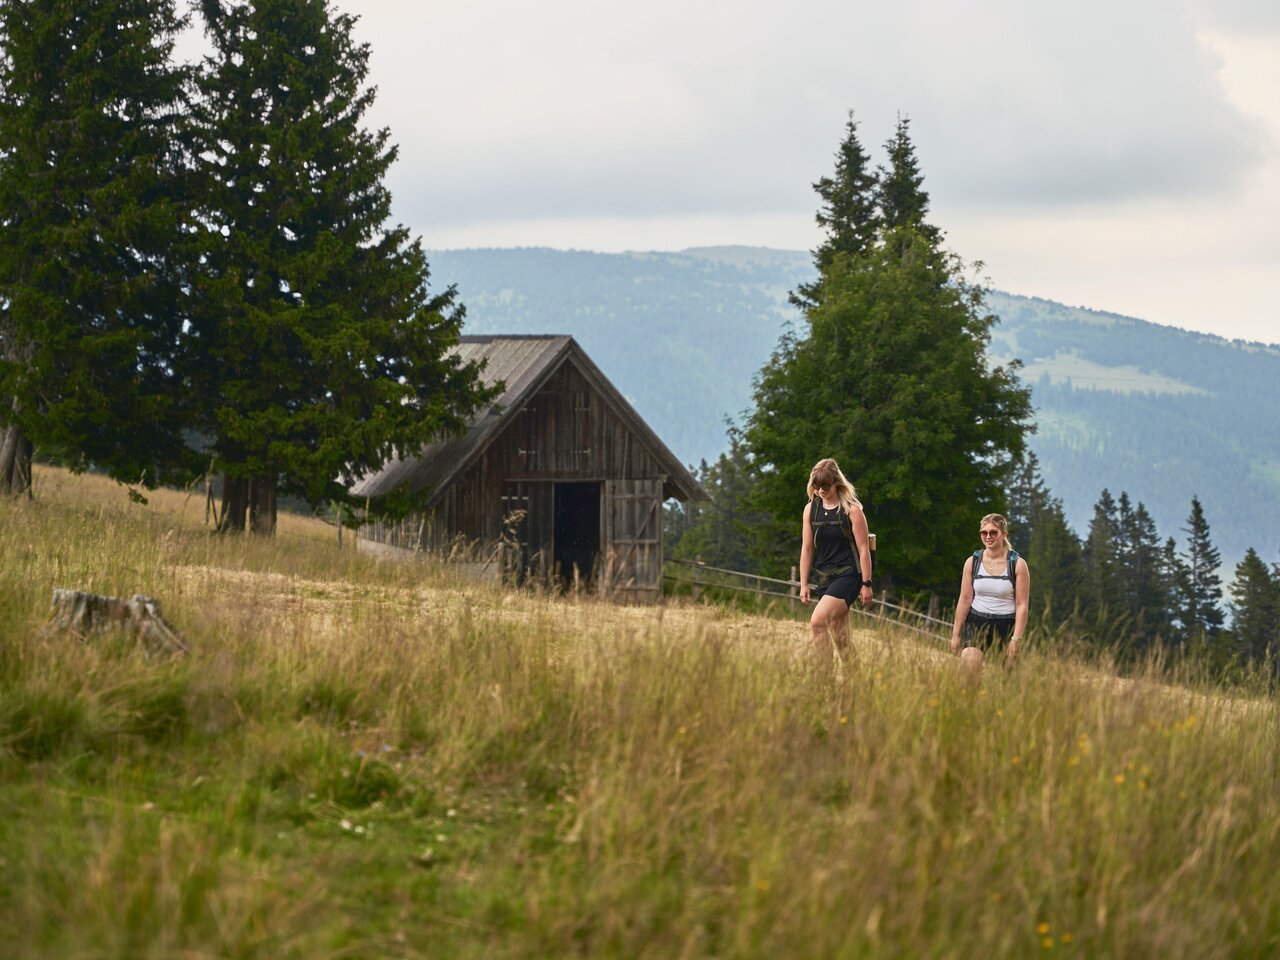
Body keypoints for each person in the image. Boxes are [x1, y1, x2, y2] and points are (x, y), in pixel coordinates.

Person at [798, 458, 874, 661]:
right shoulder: (810, 510)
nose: (821, 490)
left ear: (836, 483)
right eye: (816, 485)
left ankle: (825, 679)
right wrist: (804, 583)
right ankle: (855, 681)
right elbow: (806, 549)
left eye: (825, 485)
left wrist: (866, 583)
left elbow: (864, 549)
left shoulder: (852, 510)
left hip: (849, 575)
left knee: (817, 621)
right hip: (824, 577)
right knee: (841, 637)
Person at [950, 513, 1031, 669]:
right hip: (977, 621)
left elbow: (1022, 605)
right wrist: (956, 635)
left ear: (1004, 534)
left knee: (1005, 679)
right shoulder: (972, 562)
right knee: (969, 667)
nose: (988, 536)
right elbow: (965, 599)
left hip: (1006, 625)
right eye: (984, 532)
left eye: (993, 532)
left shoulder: (1018, 565)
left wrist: (1016, 639)